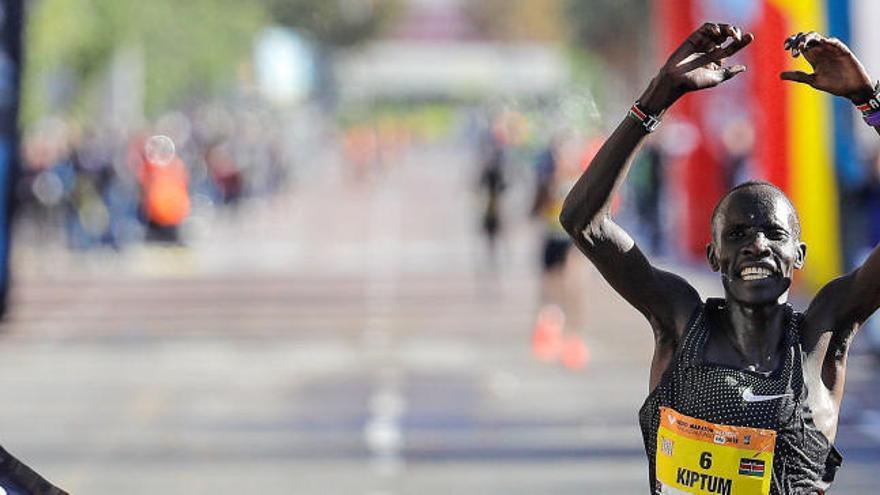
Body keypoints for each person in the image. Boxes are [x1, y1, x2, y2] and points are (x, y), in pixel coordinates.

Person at [559, 23, 880, 494]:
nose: (756, 245)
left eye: (774, 233)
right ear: (713, 256)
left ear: (798, 255)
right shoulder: (680, 321)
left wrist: (871, 102)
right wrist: (658, 96)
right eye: (738, 234)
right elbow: (584, 222)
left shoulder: (822, 333)